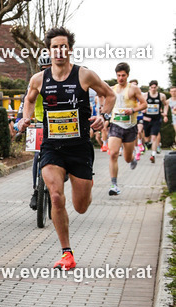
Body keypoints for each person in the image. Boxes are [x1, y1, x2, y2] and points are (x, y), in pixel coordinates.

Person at [18, 27, 115, 270]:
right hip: (52, 146)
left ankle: (85, 183)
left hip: (80, 147)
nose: (59, 51)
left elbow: (109, 94)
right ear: (48, 50)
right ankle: (66, 253)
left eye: (64, 46)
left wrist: (104, 116)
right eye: (54, 47)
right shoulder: (39, 79)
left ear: (69, 49)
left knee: (81, 206)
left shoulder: (84, 75)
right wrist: (25, 118)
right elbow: (29, 100)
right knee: (56, 196)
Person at [14, 51, 51, 210]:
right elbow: (25, 102)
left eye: (50, 66)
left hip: (58, 124)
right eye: (44, 67)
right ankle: (36, 190)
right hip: (41, 123)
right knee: (38, 154)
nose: (47, 70)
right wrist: (19, 120)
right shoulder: (35, 81)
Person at [107, 63, 147, 195]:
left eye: (123, 75)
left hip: (130, 127)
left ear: (127, 75)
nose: (121, 78)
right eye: (118, 75)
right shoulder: (112, 89)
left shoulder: (133, 89)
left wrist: (133, 110)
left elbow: (144, 104)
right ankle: (114, 185)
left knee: (127, 158)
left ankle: (132, 159)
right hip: (116, 125)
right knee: (113, 153)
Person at [142, 80, 167, 163]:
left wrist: (165, 113)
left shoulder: (161, 96)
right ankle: (147, 144)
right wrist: (143, 110)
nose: (153, 89)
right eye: (151, 87)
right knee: (147, 137)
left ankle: (153, 155)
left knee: (154, 137)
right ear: (149, 87)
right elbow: (139, 105)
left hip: (156, 119)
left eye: (154, 87)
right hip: (147, 119)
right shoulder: (145, 95)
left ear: (157, 87)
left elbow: (166, 104)